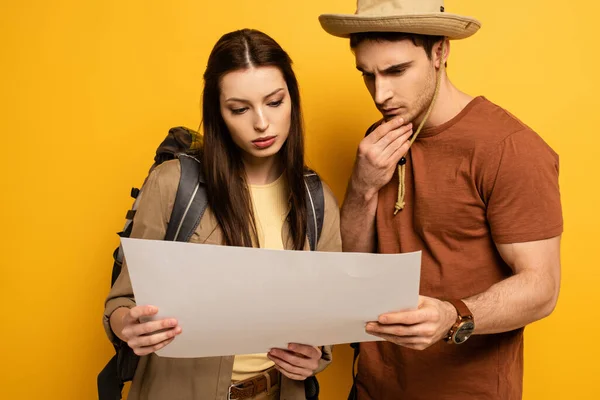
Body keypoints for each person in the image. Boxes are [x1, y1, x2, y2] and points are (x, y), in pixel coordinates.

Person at [318, 1, 562, 399]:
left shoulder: (510, 148)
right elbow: (352, 268)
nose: (381, 94)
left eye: (396, 71)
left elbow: (542, 287)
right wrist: (361, 188)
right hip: (373, 387)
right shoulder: (380, 139)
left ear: (440, 52)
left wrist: (454, 315)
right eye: (368, 75)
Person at [103, 28, 341, 400]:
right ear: (219, 113)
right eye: (240, 109)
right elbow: (122, 301)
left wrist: (315, 357)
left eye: (275, 102)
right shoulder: (174, 184)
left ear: (293, 100)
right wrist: (127, 326)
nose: (261, 123)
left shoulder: (317, 198)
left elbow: (326, 318)